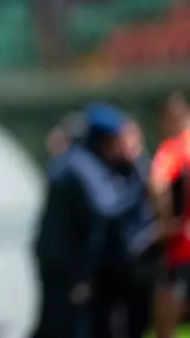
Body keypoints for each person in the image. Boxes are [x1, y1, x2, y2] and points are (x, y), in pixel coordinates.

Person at [31, 104, 152, 338]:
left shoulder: (87, 162)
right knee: (60, 329)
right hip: (64, 272)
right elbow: (107, 208)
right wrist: (140, 176)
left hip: (71, 269)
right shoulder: (79, 165)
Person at [148, 92, 190, 338]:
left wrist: (164, 221)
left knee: (165, 323)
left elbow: (158, 184)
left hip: (181, 248)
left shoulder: (172, 149)